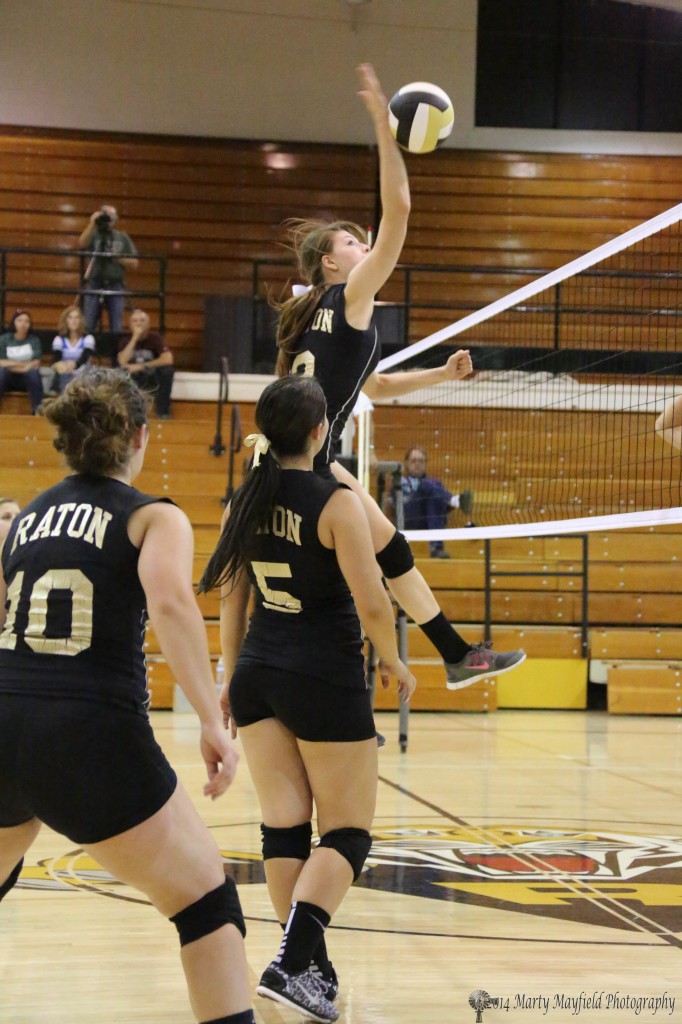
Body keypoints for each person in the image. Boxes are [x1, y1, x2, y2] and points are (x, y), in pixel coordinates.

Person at [0, 367, 256, 1024]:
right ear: (140, 436)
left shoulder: (24, 520)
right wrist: (210, 718)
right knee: (208, 905)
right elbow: (171, 604)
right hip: (89, 732)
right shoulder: (153, 516)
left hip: (5, 714)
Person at [274, 64, 525, 691]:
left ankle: (457, 654)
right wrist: (384, 129)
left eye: (364, 243)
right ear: (333, 263)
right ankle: (359, 674)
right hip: (314, 471)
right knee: (361, 571)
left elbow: (374, 389)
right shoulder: (347, 297)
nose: (366, 249)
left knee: (392, 548)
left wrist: (439, 372)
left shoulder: (311, 320)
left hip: (302, 466)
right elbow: (401, 210)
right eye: (354, 245)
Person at [199, 374, 416, 1023]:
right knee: (347, 832)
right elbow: (374, 601)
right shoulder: (336, 501)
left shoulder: (246, 499)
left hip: (259, 673)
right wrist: (394, 660)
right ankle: (295, 960)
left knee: (285, 827)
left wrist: (228, 681)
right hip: (321, 674)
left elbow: (231, 599)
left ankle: (304, 964)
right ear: (322, 432)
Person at [396, 446, 474, 558]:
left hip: (428, 520)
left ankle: (436, 548)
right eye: (413, 461)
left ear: (425, 464)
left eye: (421, 461)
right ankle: (455, 500)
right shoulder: (400, 482)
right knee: (426, 484)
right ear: (407, 463)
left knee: (434, 497)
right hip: (408, 518)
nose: (417, 464)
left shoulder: (435, 484)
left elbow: (443, 508)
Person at [78, 204, 138, 334]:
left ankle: (114, 353)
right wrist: (92, 223)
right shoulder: (93, 234)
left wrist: (117, 258)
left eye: (112, 216)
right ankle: (87, 351)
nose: (109, 218)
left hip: (115, 283)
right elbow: (82, 243)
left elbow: (134, 263)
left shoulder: (122, 237)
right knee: (87, 323)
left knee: (116, 326)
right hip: (94, 282)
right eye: (106, 214)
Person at [117, 308, 175, 418]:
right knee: (120, 372)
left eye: (142, 320)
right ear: (130, 325)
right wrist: (135, 338)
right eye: (135, 321)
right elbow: (122, 361)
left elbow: (168, 359)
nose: (139, 323)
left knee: (167, 371)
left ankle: (163, 411)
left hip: (150, 378)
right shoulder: (125, 339)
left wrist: (141, 366)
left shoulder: (155, 339)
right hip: (133, 379)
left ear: (148, 324)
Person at [0, 310, 44, 414]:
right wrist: (23, 365)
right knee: (0, 372)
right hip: (8, 378)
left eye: (26, 321)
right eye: (19, 320)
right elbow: (0, 362)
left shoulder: (34, 340)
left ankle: (37, 410)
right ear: (14, 322)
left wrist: (10, 363)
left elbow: (36, 363)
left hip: (26, 379)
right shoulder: (4, 339)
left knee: (33, 373)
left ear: (29, 324)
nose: (23, 324)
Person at [50, 305, 96, 393]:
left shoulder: (88, 338)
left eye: (76, 318)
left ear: (81, 320)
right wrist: (61, 365)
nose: (73, 321)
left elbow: (85, 357)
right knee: (62, 373)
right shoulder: (59, 339)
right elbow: (56, 357)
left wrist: (74, 365)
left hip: (83, 376)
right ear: (66, 320)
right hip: (65, 374)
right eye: (70, 318)